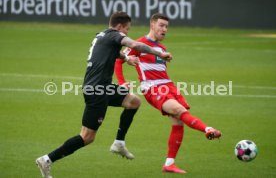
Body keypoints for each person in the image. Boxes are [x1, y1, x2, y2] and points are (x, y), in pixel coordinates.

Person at [35, 11, 173, 178]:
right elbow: (135, 45)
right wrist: (159, 53)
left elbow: (111, 52)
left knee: (134, 102)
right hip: (97, 90)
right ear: (120, 26)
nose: (127, 32)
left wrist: (126, 58)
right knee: (87, 137)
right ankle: (47, 159)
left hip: (103, 87)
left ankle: (119, 143)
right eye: (127, 29)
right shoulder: (115, 35)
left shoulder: (101, 36)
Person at [114, 13, 222, 174]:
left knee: (179, 122)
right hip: (152, 89)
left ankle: (169, 164)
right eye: (161, 25)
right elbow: (118, 60)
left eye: (166, 27)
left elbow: (159, 70)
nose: (164, 29)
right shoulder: (139, 44)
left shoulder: (162, 48)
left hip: (168, 86)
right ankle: (208, 129)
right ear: (152, 25)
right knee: (180, 111)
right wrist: (122, 83)